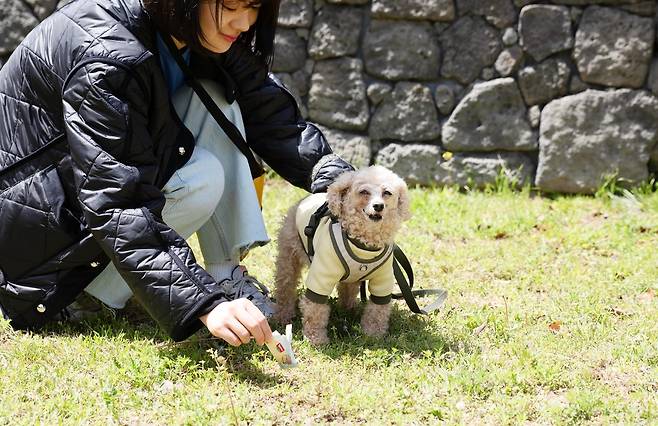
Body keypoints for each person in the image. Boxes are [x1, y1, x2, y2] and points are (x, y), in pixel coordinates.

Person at [0, 0, 353, 345]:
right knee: (202, 177)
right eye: (230, 7)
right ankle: (87, 294)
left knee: (219, 97)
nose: (244, 22)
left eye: (254, 7)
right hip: (38, 259)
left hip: (76, 199)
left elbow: (265, 105)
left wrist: (342, 182)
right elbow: (118, 201)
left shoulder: (184, 26)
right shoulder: (106, 54)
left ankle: (225, 273)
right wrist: (201, 302)